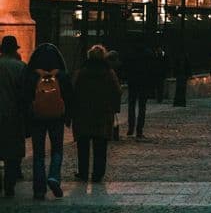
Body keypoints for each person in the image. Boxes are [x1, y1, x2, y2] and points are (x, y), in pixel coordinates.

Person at [24, 42, 73, 200]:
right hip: (57, 117)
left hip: (37, 118)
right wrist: (68, 117)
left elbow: (24, 97)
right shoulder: (62, 75)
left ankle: (39, 189)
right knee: (57, 149)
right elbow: (70, 97)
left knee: (38, 153)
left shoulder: (31, 75)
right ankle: (53, 176)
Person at [71, 44, 121, 183]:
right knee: (100, 147)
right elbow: (117, 91)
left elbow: (73, 92)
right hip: (103, 115)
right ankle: (98, 174)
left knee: (83, 146)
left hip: (83, 114)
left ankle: (83, 172)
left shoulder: (81, 72)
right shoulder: (109, 73)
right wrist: (113, 108)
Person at [0, 35, 26, 197]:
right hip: (13, 116)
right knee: (12, 154)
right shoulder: (21, 67)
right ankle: (9, 185)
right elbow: (25, 95)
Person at [122, 40, 154, 137]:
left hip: (133, 82)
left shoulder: (131, 53)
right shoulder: (148, 54)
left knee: (131, 105)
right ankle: (139, 130)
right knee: (142, 106)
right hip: (144, 82)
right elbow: (151, 68)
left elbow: (126, 67)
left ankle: (131, 128)